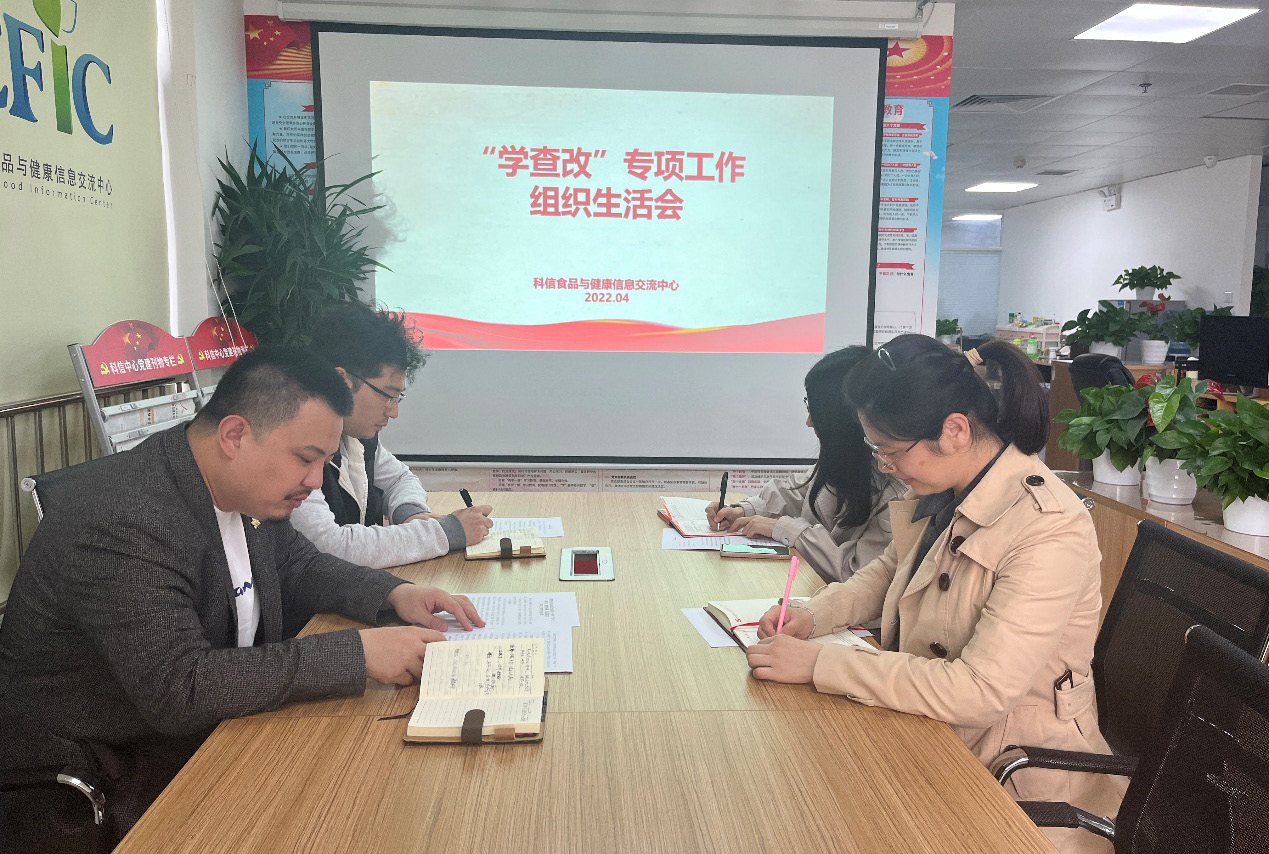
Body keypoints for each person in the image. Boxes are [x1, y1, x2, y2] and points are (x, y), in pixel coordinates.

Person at [0, 348, 483, 850]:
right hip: (100, 789)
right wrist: (359, 653)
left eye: (324, 461)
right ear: (234, 435)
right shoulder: (124, 520)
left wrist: (395, 593)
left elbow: (298, 564)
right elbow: (181, 687)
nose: (316, 480)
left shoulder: (235, 486)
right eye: (306, 459)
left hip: (201, 742)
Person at [744, 335, 1122, 854]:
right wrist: (813, 615)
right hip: (931, 734)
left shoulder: (1048, 527)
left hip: (1012, 779)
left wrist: (819, 664)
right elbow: (888, 572)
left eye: (891, 451)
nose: (885, 466)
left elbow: (980, 690)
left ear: (955, 431)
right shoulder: (950, 488)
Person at [290, 301, 493, 569]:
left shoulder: (356, 435)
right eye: (388, 395)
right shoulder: (294, 445)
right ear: (342, 381)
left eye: (398, 398)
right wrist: (446, 532)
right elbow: (329, 546)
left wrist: (411, 514)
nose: (394, 412)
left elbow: (399, 479)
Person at [705, 346, 904, 583]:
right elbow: (801, 492)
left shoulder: (897, 489)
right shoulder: (847, 459)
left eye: (814, 411)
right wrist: (745, 510)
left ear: (840, 419)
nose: (809, 422)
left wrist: (787, 530)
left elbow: (858, 573)